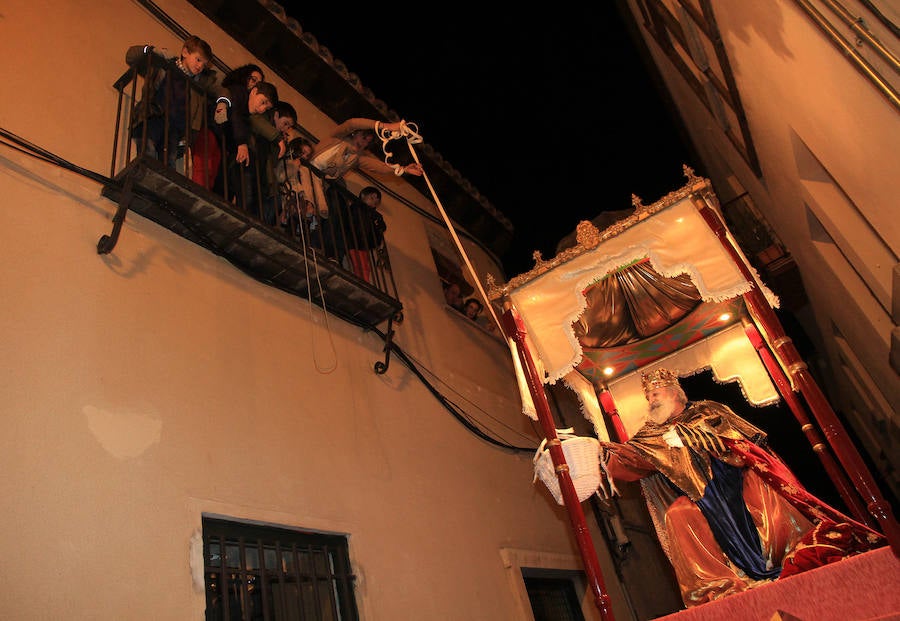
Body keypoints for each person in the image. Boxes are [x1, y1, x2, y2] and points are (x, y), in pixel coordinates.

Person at [599, 368, 885, 608]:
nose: (650, 400)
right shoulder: (652, 432)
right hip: (702, 499)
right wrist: (597, 451)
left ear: (674, 392)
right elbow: (631, 459)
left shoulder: (707, 409)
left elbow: (743, 441)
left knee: (766, 494)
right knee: (677, 515)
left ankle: (786, 558)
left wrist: (695, 437)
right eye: (648, 396)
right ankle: (716, 587)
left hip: (737, 479)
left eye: (655, 394)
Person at [126, 35, 217, 172]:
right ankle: (146, 178)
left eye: (203, 65)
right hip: (153, 115)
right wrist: (149, 50)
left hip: (175, 128)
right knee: (147, 153)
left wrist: (223, 102)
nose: (200, 66)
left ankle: (159, 188)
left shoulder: (196, 83)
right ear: (185, 52)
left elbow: (218, 88)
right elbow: (131, 56)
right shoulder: (165, 65)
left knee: (169, 164)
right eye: (198, 60)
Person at [214, 77, 279, 214]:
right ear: (254, 91)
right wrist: (241, 143)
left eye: (266, 108)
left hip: (226, 146)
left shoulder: (248, 116)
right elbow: (235, 115)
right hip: (215, 135)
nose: (262, 109)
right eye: (263, 102)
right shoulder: (239, 92)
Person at [338, 186, 386, 283]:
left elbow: (376, 239)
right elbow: (348, 223)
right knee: (358, 264)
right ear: (362, 196)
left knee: (365, 267)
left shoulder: (373, 217)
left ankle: (364, 283)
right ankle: (361, 283)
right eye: (372, 198)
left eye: (376, 202)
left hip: (363, 245)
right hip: (353, 242)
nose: (373, 203)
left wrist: (380, 227)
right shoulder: (355, 208)